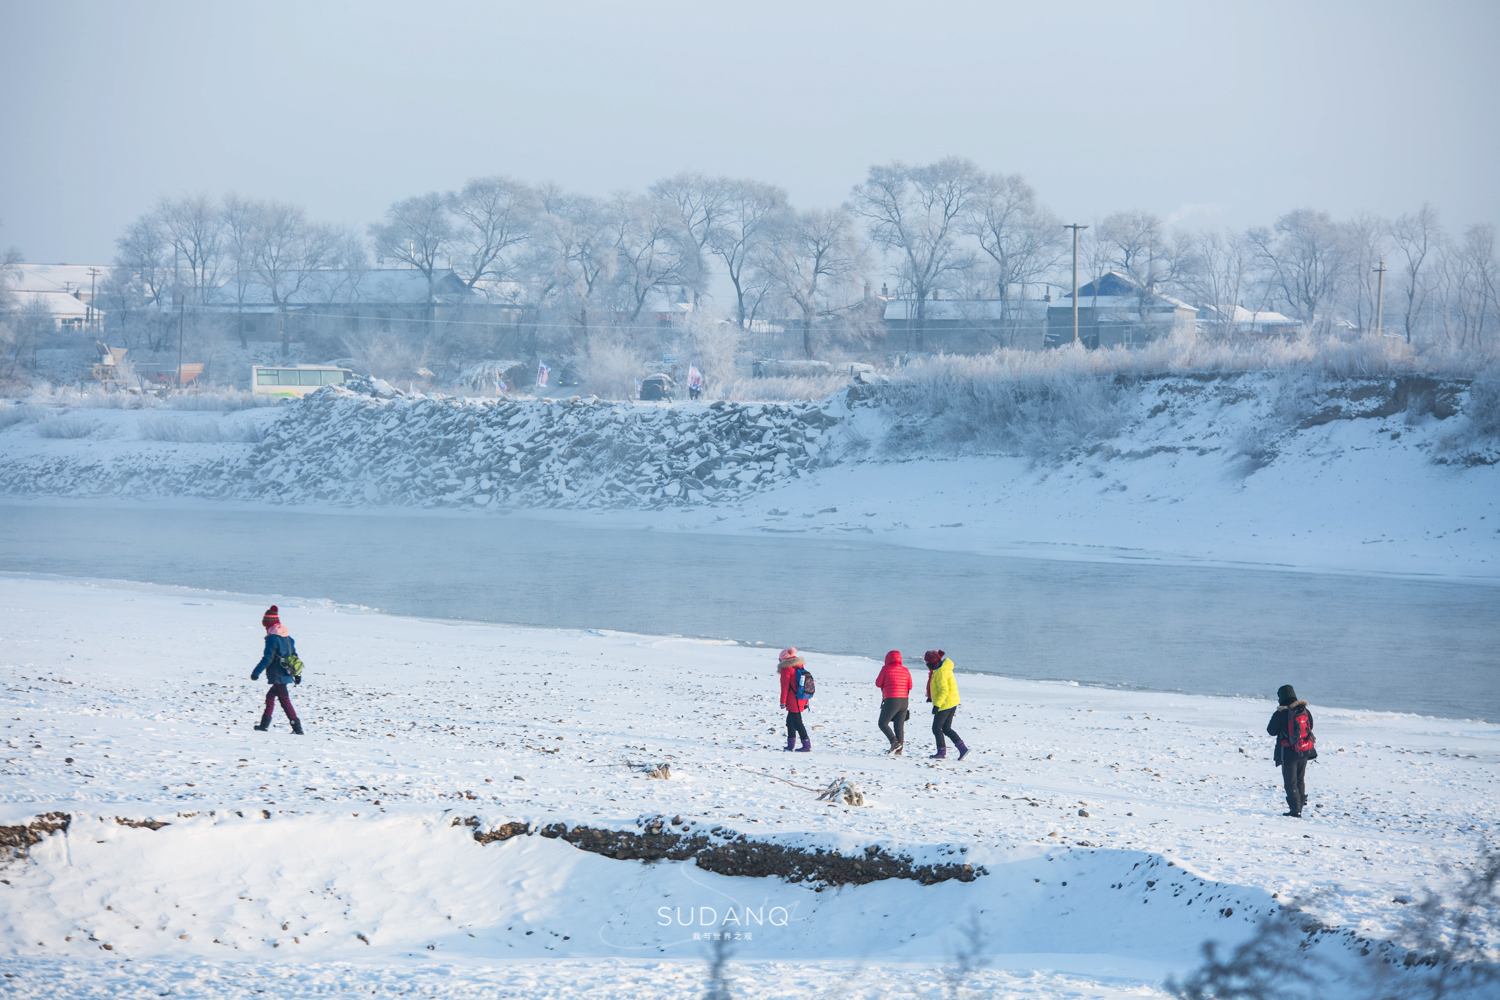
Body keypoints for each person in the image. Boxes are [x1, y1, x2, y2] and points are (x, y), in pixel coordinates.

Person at [252, 605, 304, 735]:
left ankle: (297, 727)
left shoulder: (272, 639)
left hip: (278, 674)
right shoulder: (288, 638)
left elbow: (268, 658)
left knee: (284, 700)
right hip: (286, 673)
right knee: (270, 697)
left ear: (268, 625)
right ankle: (263, 726)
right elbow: (294, 657)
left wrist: (256, 672)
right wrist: (297, 674)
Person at [1267, 684, 1316, 816]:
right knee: (1300, 779)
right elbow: (1310, 726)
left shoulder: (1281, 713)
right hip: (1305, 750)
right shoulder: (1305, 711)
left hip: (1288, 752)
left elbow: (1271, 731)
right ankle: (1299, 805)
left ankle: (1295, 810)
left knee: (1290, 782)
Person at [924, 650, 968, 760]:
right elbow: (939, 688)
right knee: (946, 728)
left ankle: (941, 753)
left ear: (933, 663)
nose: (927, 666)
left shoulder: (940, 672)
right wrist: (931, 698)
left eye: (928, 663)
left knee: (936, 728)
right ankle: (963, 749)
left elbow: (944, 690)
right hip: (952, 702)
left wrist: (937, 704)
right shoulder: (943, 669)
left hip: (945, 703)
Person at [874, 650, 912, 754]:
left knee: (882, 723)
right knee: (899, 725)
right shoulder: (905, 670)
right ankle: (899, 750)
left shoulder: (885, 669)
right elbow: (910, 686)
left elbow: (878, 683)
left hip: (891, 699)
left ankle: (894, 742)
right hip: (904, 700)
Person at [777, 647, 811, 752]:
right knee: (790, 722)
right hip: (801, 698)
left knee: (797, 722)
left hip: (793, 700)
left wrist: (782, 702)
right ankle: (790, 745)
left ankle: (806, 745)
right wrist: (806, 701)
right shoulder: (800, 667)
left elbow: (785, 687)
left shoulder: (787, 669)